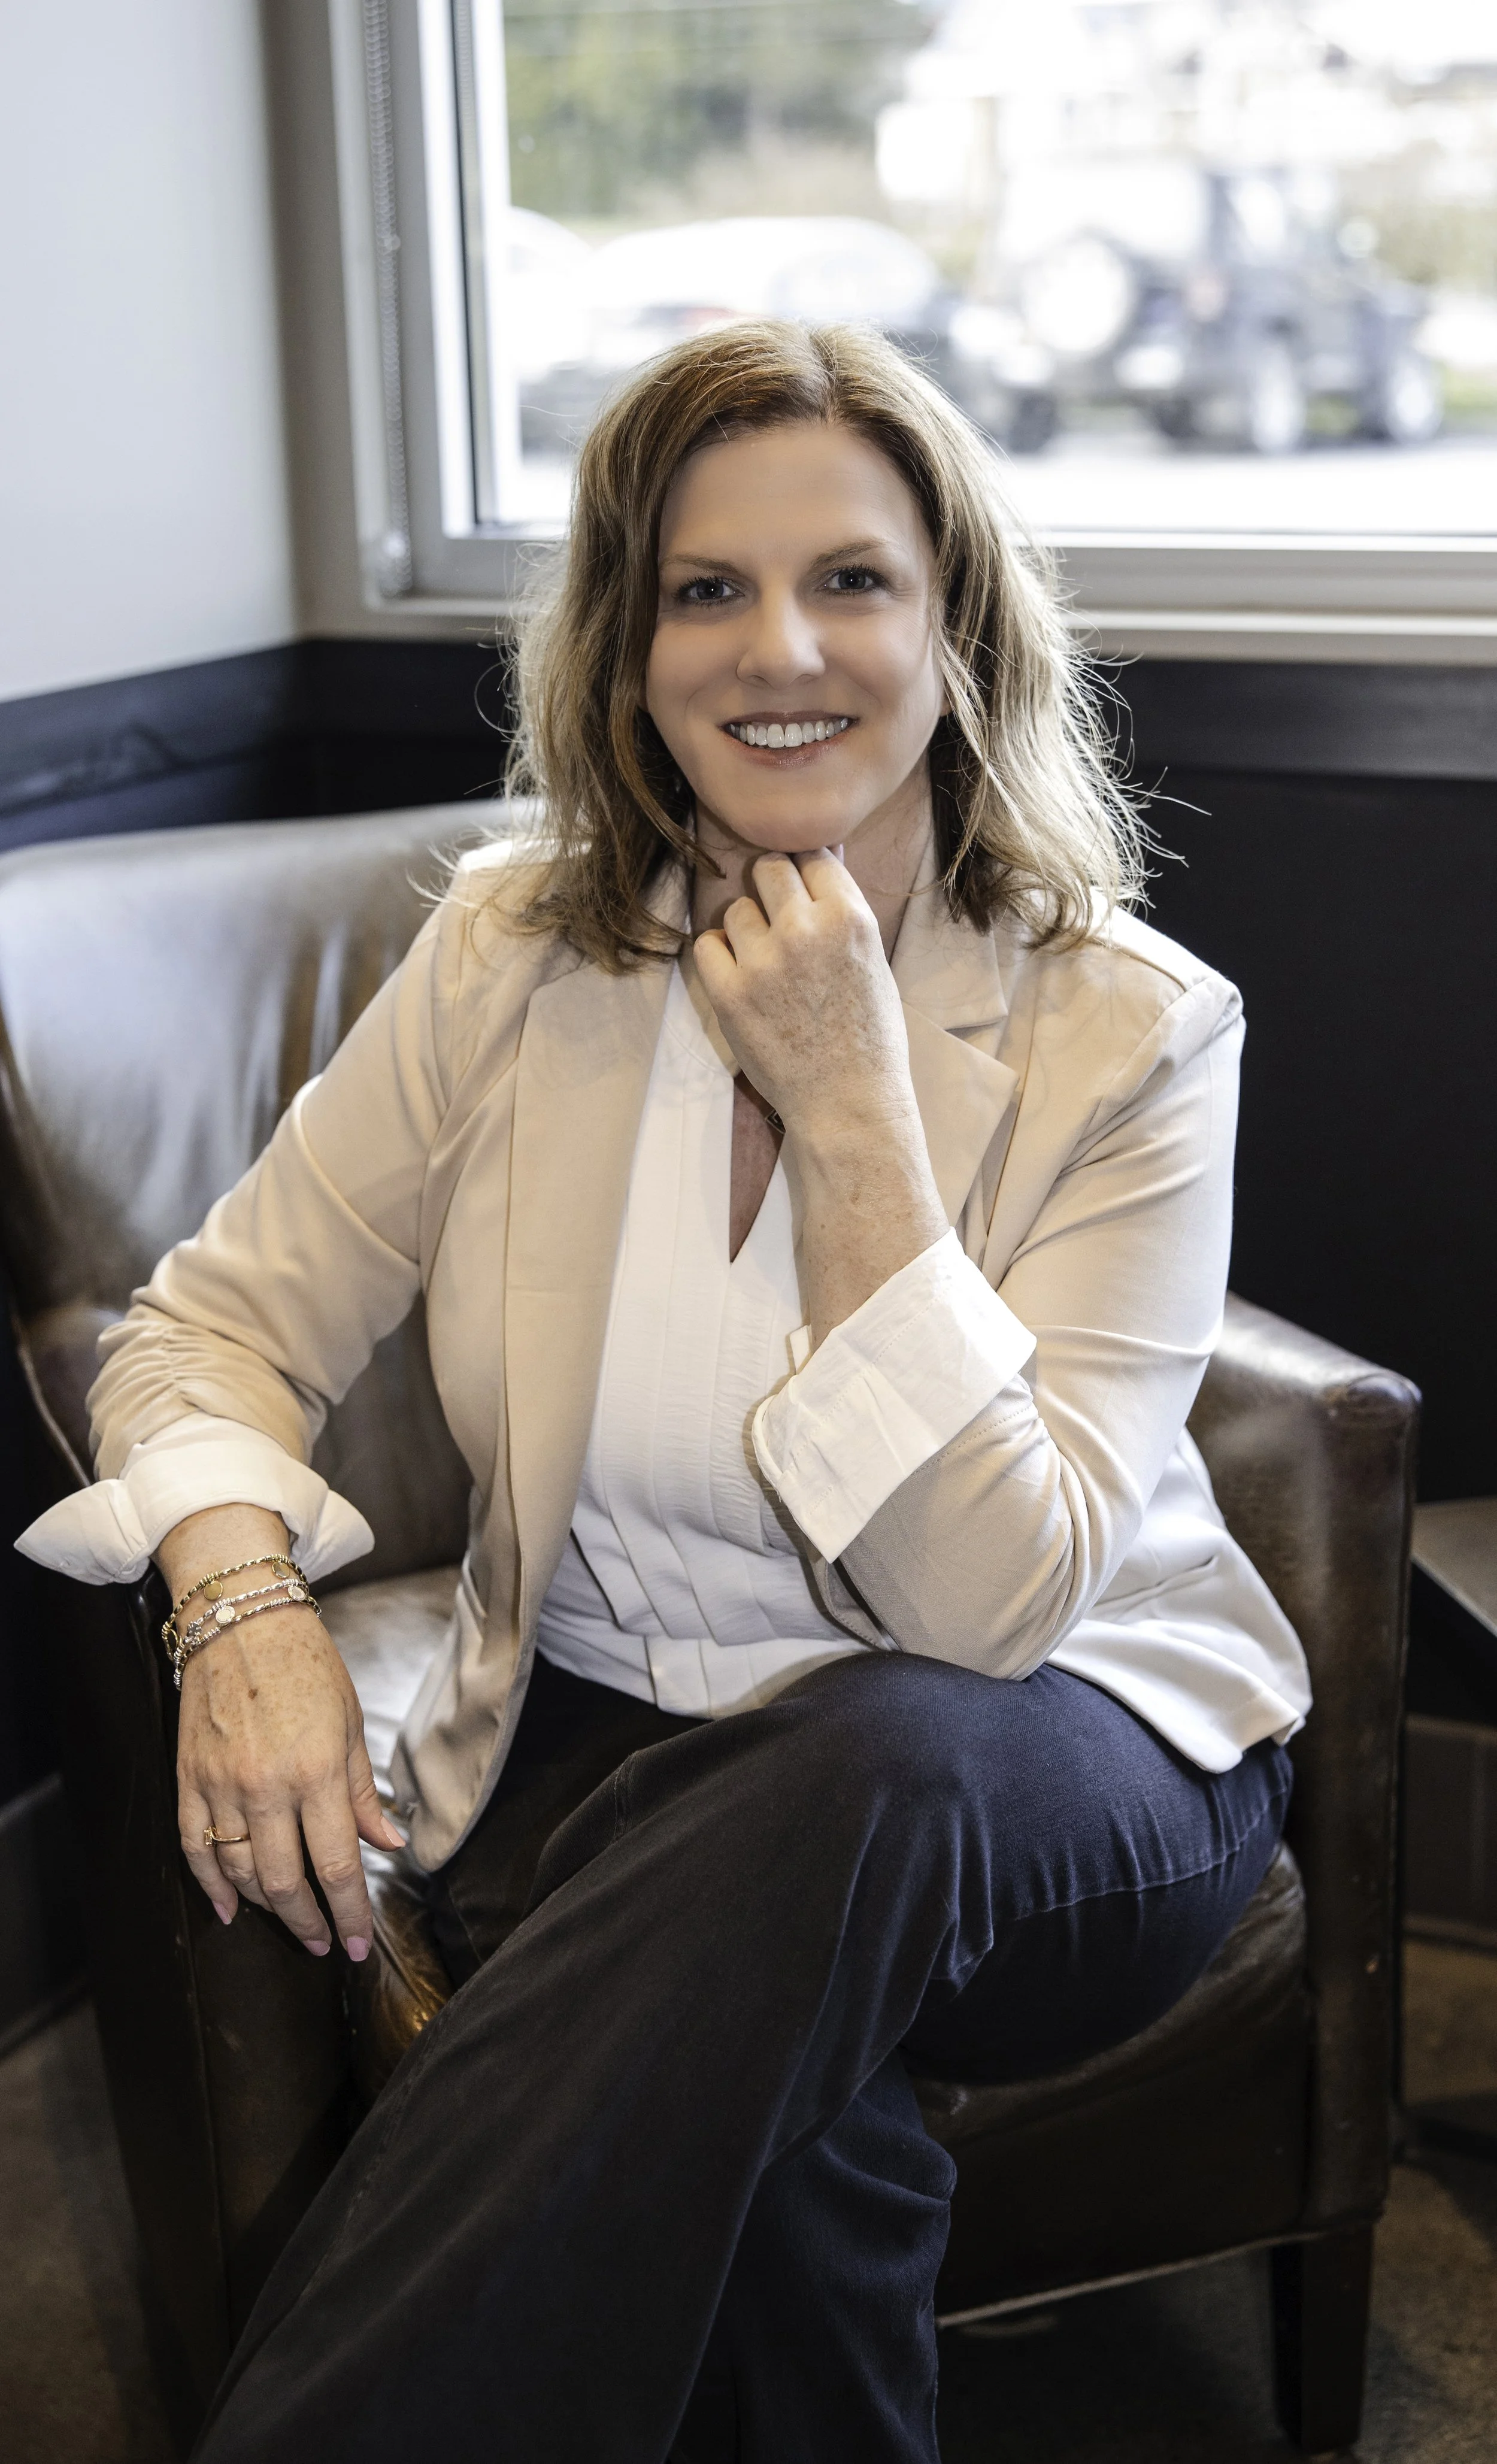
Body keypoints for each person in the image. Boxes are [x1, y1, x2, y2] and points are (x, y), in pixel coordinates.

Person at [20, 320, 1310, 2464]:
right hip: (609, 1738)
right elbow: (201, 1328)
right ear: (627, 648)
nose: (774, 647)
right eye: (705, 589)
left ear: (955, 625)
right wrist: (238, 1610)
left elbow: (992, 1609)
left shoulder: (1133, 1030)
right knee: (793, 2123)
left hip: (1062, 1763)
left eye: (853, 580)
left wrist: (851, 1117)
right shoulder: (517, 954)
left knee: (867, 1760)